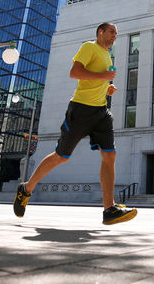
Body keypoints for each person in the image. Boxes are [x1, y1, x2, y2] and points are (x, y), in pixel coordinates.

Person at [13, 22, 137, 225]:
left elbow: (93, 82)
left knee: (109, 154)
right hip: (80, 110)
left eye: (116, 33)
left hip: (101, 111)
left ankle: (109, 209)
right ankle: (26, 188)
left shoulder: (106, 55)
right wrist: (103, 77)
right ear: (101, 32)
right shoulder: (90, 47)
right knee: (61, 156)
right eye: (112, 32)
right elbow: (75, 73)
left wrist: (107, 88)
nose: (115, 35)